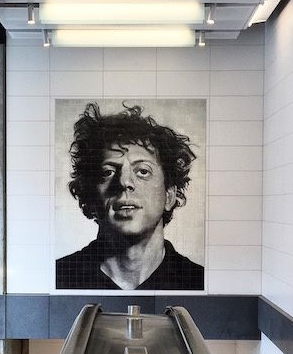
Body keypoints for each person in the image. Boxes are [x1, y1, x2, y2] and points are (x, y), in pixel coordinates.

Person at [56, 102, 204, 290]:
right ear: (90, 198)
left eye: (142, 171)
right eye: (107, 172)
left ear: (169, 195)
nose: (124, 182)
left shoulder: (197, 281)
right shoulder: (60, 277)